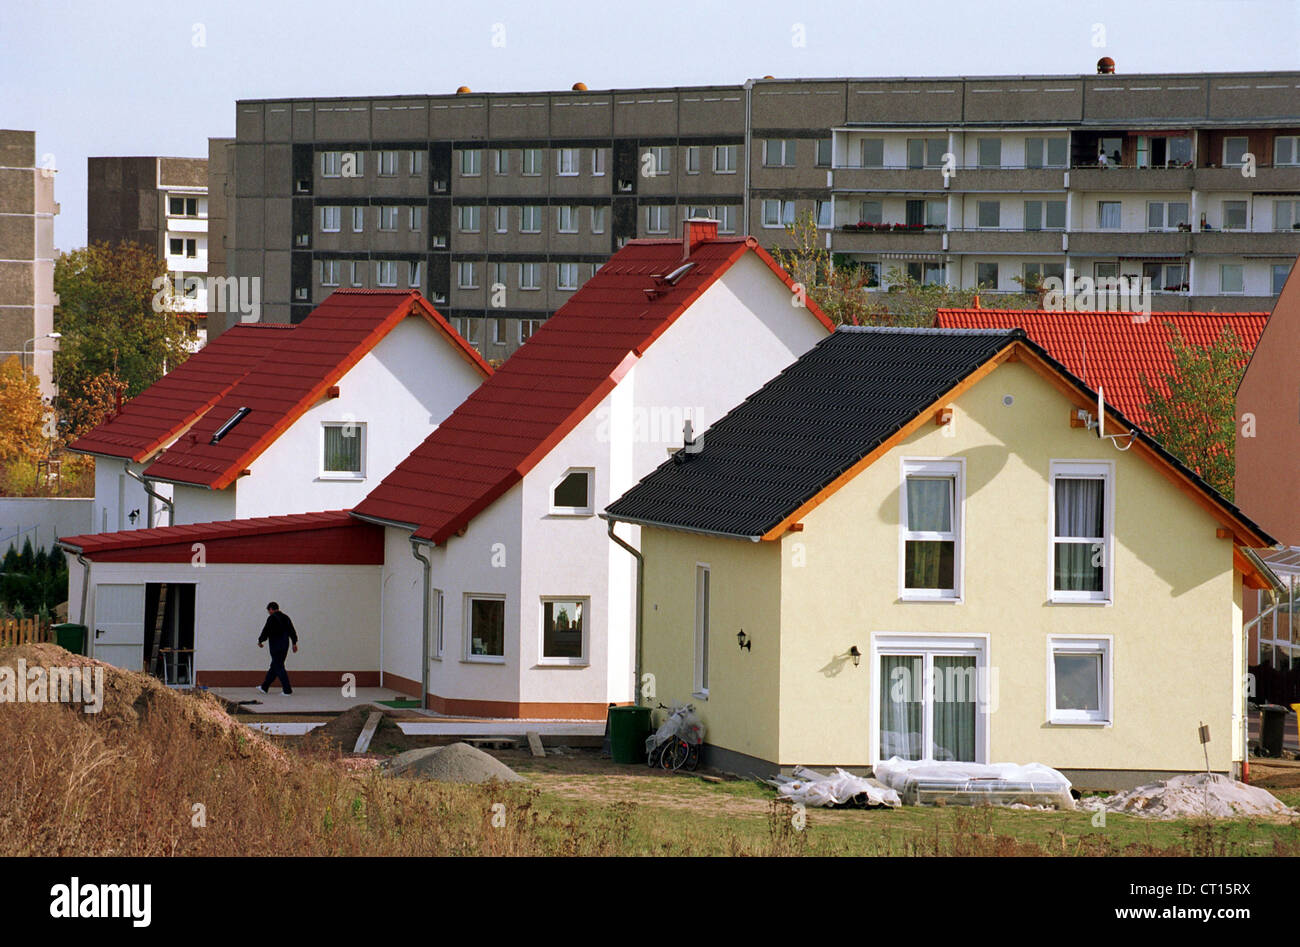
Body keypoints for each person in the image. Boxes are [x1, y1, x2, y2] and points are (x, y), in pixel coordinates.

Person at [256, 601, 299, 696]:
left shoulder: (272, 618)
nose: (269, 612)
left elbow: (266, 630)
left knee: (279, 666)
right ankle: (264, 687)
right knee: (275, 665)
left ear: (271, 609)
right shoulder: (286, 617)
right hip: (285, 645)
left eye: (269, 610)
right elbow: (292, 631)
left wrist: (260, 640)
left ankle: (287, 690)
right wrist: (294, 643)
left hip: (275, 645)